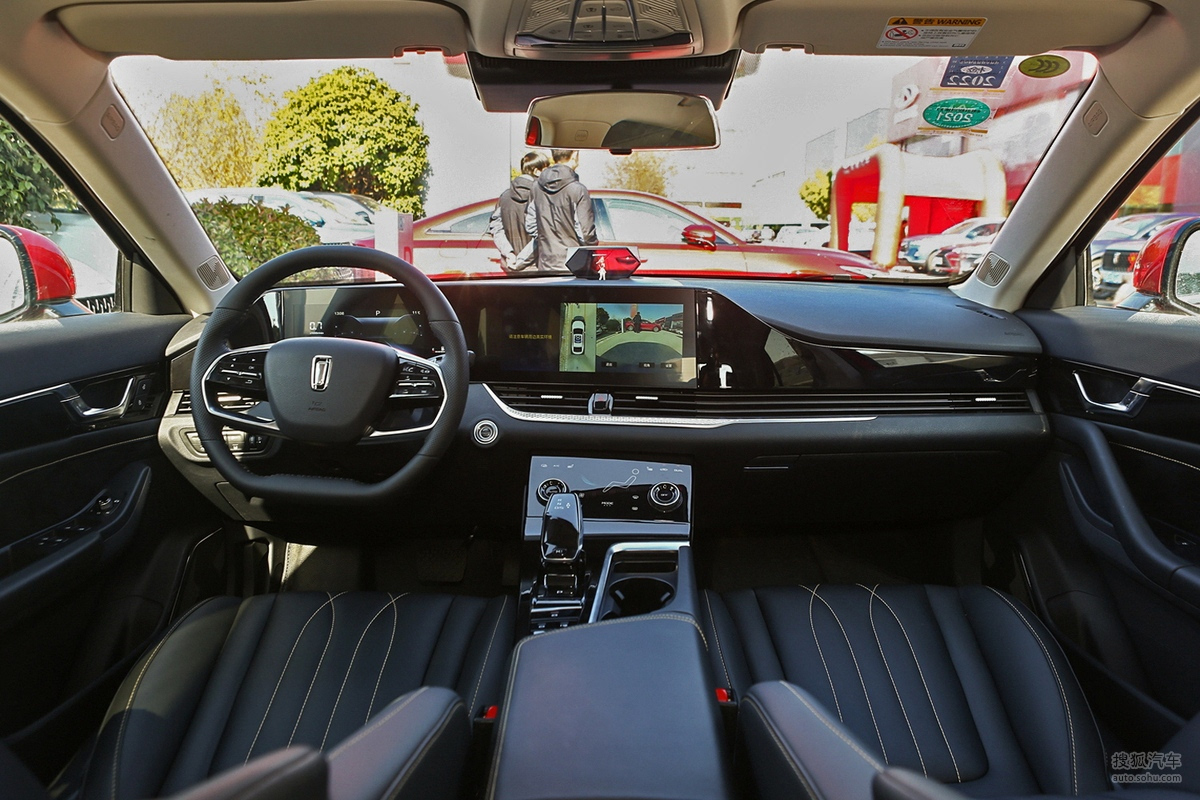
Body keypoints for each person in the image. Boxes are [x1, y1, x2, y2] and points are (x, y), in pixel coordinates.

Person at [520, 149, 598, 272]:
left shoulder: (536, 187)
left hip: (546, 263)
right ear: (575, 155)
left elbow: (531, 225)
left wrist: (546, 240)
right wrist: (593, 253)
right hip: (574, 265)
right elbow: (585, 234)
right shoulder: (578, 190)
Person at [488, 151, 549, 272]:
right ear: (537, 171)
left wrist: (509, 253)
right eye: (546, 170)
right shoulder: (543, 196)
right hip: (537, 267)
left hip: (510, 266)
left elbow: (496, 228)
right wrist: (521, 260)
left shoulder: (504, 196)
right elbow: (543, 234)